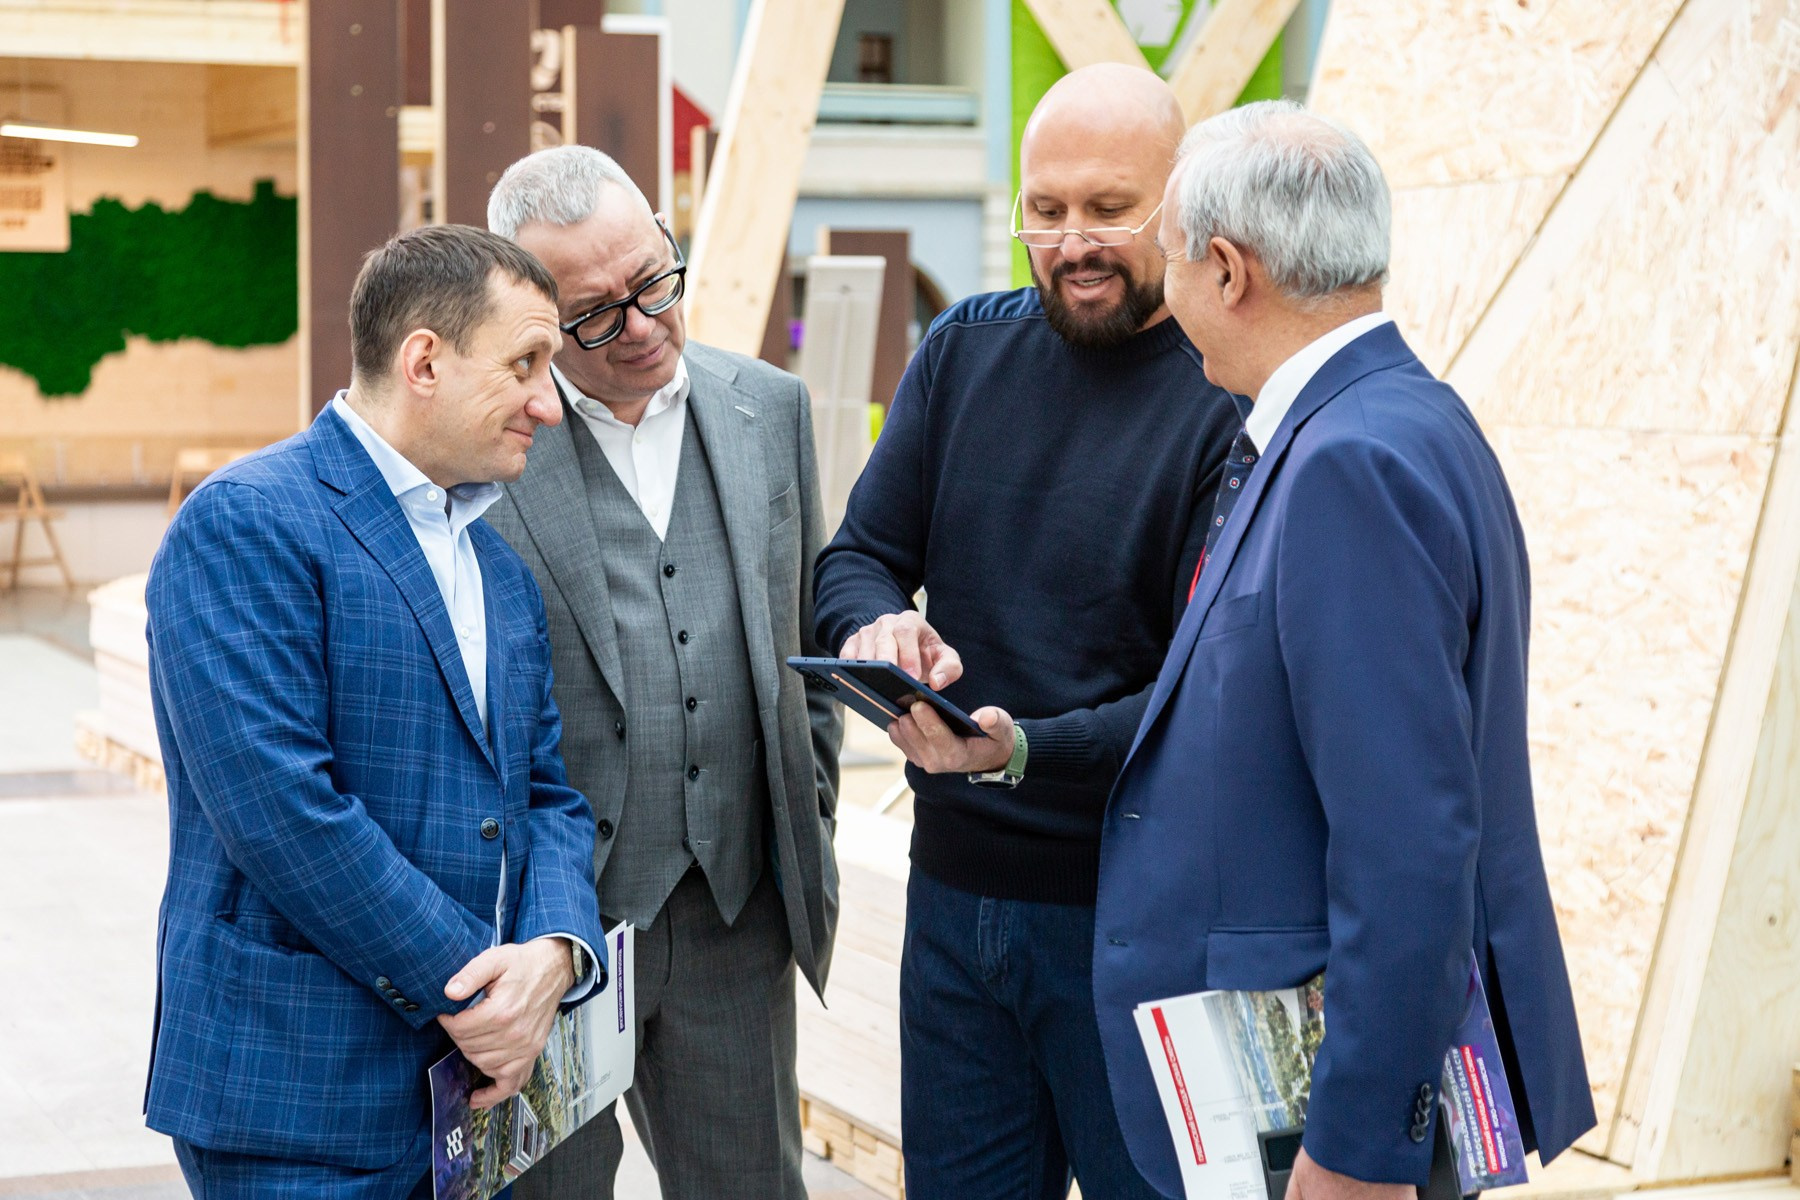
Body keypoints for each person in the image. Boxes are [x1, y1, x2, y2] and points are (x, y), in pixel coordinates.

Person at [1093, 100, 1596, 1200]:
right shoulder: (1405, 418)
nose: (1166, 295)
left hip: (1332, 1123)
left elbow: (1408, 839)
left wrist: (1359, 1148)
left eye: (1172, 260)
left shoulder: (1345, 464)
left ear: (1228, 270)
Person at [812, 63, 1239, 1200]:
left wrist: (1023, 751)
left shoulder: (1230, 394)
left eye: (1108, 209)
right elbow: (855, 557)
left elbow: (1211, 697)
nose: (1072, 243)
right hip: (952, 908)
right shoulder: (964, 350)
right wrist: (876, 629)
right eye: (1045, 210)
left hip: (1144, 924)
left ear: (1182, 202)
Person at [143, 224, 607, 1199]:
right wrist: (479, 991)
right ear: (424, 362)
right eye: (525, 364)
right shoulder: (247, 521)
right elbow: (284, 811)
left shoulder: (500, 570)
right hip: (299, 1103)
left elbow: (545, 794)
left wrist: (556, 955)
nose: (548, 402)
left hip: (473, 1100)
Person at [483, 146, 841, 1200]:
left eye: (653, 283)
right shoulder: (487, 443)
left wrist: (808, 810)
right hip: (550, 934)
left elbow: (806, 641)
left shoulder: (769, 406)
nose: (641, 325)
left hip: (736, 912)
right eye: (596, 315)